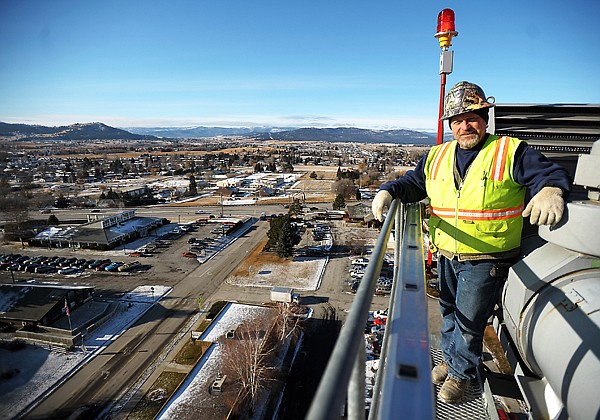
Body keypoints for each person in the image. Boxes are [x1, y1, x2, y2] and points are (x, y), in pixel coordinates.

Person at [371, 81, 571, 404]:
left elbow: (544, 172)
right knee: (449, 311)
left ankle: (462, 376)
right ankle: (452, 362)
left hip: (487, 258)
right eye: (458, 120)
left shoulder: (508, 150)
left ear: (485, 118)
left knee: (468, 320)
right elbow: (413, 182)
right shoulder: (437, 156)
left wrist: (550, 189)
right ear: (450, 125)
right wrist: (390, 190)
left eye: (473, 117)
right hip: (447, 252)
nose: (466, 125)